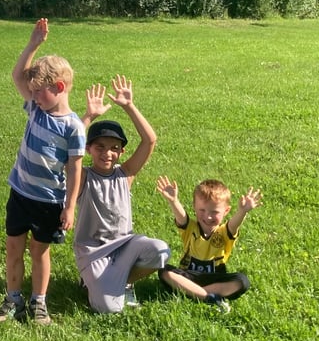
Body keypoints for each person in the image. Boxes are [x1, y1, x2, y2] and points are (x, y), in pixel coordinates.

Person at [0, 19, 87, 325]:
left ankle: (39, 302)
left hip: (48, 201)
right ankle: (13, 299)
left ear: (59, 88)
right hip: (20, 193)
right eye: (32, 92)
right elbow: (17, 76)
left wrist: (71, 205)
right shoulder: (36, 108)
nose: (33, 96)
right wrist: (34, 44)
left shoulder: (74, 127)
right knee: (13, 247)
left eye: (39, 91)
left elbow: (75, 170)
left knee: (39, 251)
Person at [73, 76, 171, 313]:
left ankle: (126, 281)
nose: (108, 153)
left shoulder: (125, 174)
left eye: (114, 148)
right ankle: (89, 282)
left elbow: (150, 140)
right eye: (100, 147)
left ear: (122, 151)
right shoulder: (83, 176)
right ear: (88, 150)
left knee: (160, 250)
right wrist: (88, 117)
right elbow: (70, 148)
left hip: (125, 245)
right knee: (108, 309)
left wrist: (129, 106)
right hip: (93, 253)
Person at [156, 176, 262, 312]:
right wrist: (174, 201)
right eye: (202, 210)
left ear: (226, 211)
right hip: (188, 276)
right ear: (194, 206)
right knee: (164, 271)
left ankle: (192, 293)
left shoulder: (224, 232)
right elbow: (181, 217)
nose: (208, 216)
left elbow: (234, 225)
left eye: (215, 212)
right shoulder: (190, 229)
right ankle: (207, 297)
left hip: (214, 280)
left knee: (242, 281)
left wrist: (242, 211)